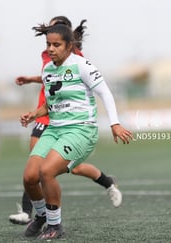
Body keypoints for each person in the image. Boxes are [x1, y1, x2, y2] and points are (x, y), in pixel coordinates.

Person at [20, 23, 134, 240]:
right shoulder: (48, 69)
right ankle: (42, 216)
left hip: (81, 130)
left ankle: (55, 225)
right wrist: (34, 114)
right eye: (48, 44)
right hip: (55, 129)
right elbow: (52, 103)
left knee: (46, 172)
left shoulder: (82, 66)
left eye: (56, 45)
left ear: (69, 46)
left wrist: (115, 123)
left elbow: (105, 93)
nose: (51, 49)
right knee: (29, 177)